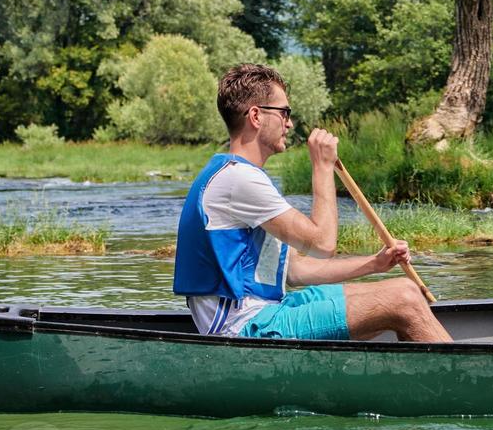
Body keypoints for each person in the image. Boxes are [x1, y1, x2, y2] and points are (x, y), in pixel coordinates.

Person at [174, 63, 452, 342]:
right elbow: (323, 244)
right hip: (242, 328)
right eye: (284, 112)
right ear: (256, 116)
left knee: (406, 288)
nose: (289, 123)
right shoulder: (238, 179)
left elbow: (295, 270)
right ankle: (460, 377)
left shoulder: (240, 176)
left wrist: (375, 263)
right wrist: (322, 166)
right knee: (402, 298)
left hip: (266, 313)